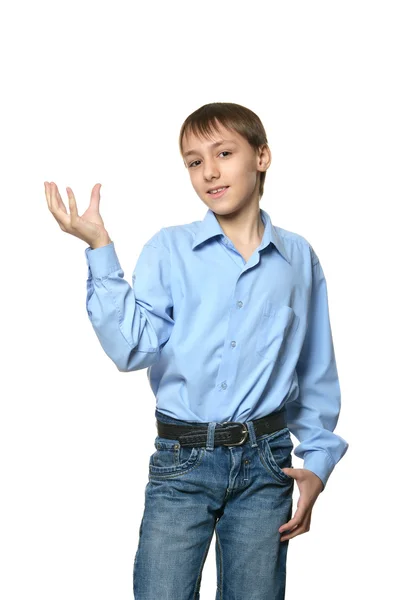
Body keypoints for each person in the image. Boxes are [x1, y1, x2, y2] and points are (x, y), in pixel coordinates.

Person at [44, 101, 349, 599]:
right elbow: (131, 348)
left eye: (224, 152)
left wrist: (316, 464)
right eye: (193, 161)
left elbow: (315, 371)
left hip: (266, 467)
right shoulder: (169, 249)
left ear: (262, 156)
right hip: (181, 463)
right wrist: (100, 248)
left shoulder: (298, 258)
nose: (209, 171)